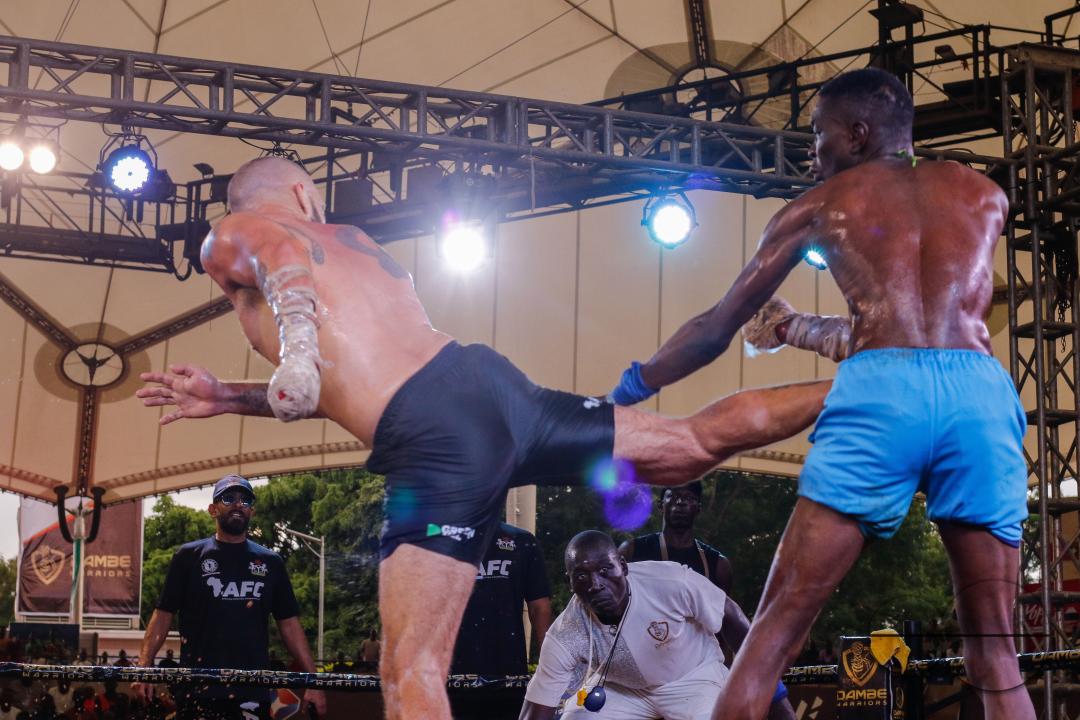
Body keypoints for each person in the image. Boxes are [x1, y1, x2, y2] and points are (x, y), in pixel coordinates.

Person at [136, 155, 829, 720]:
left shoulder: (244, 229)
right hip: (488, 387)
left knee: (411, 672)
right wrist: (230, 395)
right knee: (688, 446)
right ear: (306, 192)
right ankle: (862, 384)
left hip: (435, 434)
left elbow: (276, 252)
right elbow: (357, 388)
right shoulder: (362, 249)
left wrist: (292, 343)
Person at [607, 67, 1033, 720]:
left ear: (858, 134)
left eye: (818, 133)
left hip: (883, 391)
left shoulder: (820, 205)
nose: (813, 151)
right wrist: (803, 329)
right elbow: (927, 317)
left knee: (770, 641)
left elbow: (716, 329)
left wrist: (640, 380)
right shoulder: (983, 194)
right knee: (995, 654)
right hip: (979, 396)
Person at [519, 531, 794, 720]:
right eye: (581, 575)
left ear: (623, 567)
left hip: (693, 677)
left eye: (605, 570)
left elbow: (733, 619)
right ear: (571, 584)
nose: (595, 584)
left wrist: (777, 699)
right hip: (620, 689)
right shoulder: (566, 633)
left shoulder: (671, 582)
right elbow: (537, 707)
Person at [132, 474, 327, 719]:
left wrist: (314, 681)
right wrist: (143, 668)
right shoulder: (189, 556)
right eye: (228, 498)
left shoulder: (270, 562)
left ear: (252, 512)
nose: (237, 504)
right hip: (198, 687)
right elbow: (162, 615)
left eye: (245, 501)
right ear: (213, 509)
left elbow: (289, 625)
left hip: (252, 690)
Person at [451, 523, 552, 719]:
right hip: (449, 677)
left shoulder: (521, 540)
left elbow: (540, 608)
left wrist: (549, 668)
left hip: (508, 677)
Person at [618, 481, 732, 593]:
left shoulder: (718, 564)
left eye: (689, 497)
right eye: (673, 495)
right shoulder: (631, 551)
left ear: (698, 508)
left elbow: (721, 610)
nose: (680, 502)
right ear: (660, 505)